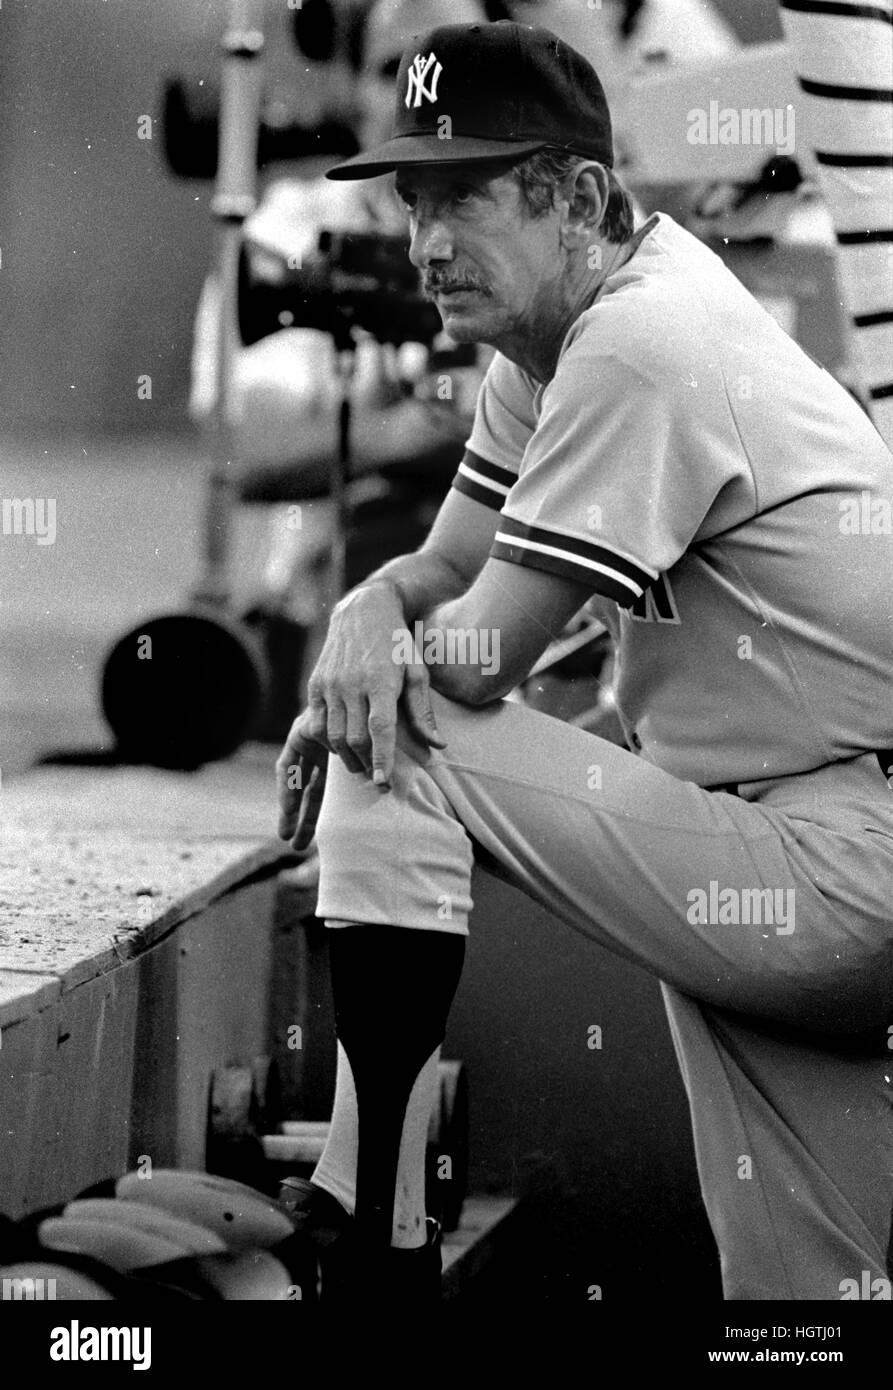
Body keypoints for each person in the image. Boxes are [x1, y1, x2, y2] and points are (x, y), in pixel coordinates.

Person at [276, 19, 893, 1302]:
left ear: (578, 199)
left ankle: (370, 1226)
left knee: (409, 738)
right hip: (771, 837)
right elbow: (432, 580)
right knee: (807, 1301)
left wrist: (369, 655)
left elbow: (473, 661)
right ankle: (368, 1214)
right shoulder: (552, 333)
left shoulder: (637, 339)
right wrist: (360, 616)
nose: (425, 242)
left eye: (463, 198)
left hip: (839, 853)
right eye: (412, 201)